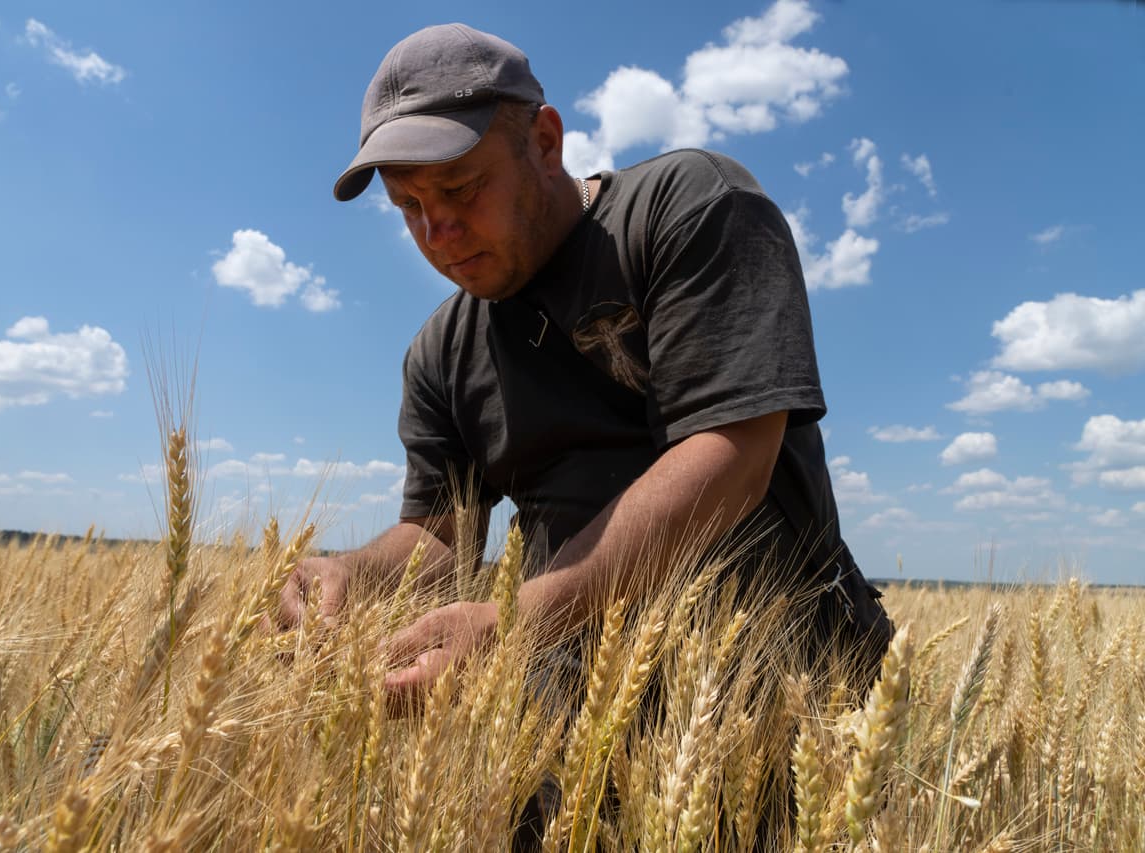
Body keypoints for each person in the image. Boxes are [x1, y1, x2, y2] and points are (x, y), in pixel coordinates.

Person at [280, 23, 891, 702]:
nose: (436, 232)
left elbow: (732, 455)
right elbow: (443, 538)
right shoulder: (440, 354)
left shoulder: (686, 209)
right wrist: (351, 573)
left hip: (784, 697)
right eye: (409, 206)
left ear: (544, 142)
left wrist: (517, 622)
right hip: (572, 729)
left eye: (459, 188)